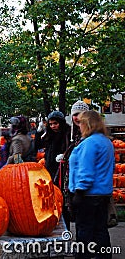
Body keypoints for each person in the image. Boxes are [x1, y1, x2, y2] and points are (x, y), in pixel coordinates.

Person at [69, 110, 114, 259]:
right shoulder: (106, 141)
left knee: (84, 232)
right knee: (100, 230)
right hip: (103, 193)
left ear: (87, 124)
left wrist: (79, 192)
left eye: (81, 122)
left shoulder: (89, 143)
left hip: (88, 195)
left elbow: (86, 170)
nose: (79, 126)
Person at [57, 100, 89, 230]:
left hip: (82, 182)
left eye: (80, 114)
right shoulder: (70, 133)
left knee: (84, 218)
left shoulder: (89, 135)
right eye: (75, 114)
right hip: (69, 179)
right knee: (69, 211)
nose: (77, 118)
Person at [38, 111, 71, 181]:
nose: (53, 126)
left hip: (62, 170)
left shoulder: (67, 135)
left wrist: (64, 155)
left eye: (55, 123)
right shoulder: (49, 135)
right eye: (50, 124)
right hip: (49, 168)